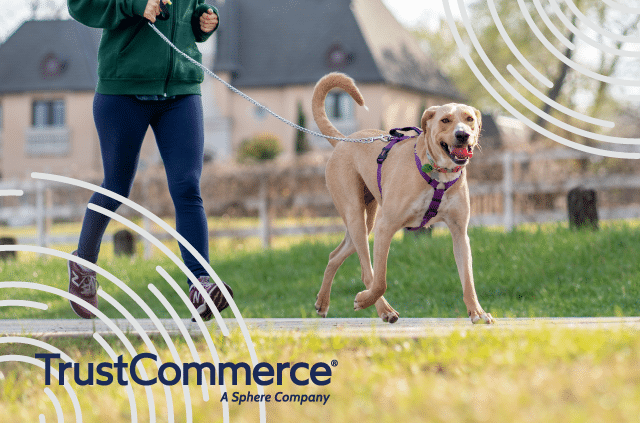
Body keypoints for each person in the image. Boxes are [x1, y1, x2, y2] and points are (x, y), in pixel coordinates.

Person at [66, 0, 232, 320]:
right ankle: (83, 265)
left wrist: (202, 20)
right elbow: (80, 5)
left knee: (187, 186)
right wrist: (133, 4)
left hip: (181, 91)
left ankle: (200, 284)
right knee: (116, 187)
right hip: (122, 91)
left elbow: (190, 10)